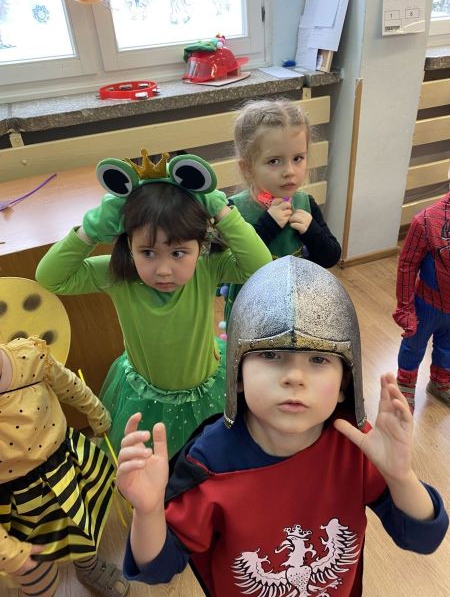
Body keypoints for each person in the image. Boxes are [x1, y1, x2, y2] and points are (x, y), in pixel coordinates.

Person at [116, 257, 448, 597]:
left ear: (344, 383)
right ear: (237, 375)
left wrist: (400, 476)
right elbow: (157, 568)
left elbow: (423, 537)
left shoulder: (356, 446)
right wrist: (149, 512)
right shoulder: (209, 461)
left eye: (318, 359)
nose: (294, 377)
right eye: (271, 355)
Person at [36, 151, 271, 458]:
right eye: (147, 252)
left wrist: (222, 211)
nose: (163, 270)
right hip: (146, 395)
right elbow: (50, 277)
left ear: (201, 246)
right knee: (153, 462)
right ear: (129, 246)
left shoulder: (208, 267)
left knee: (209, 457)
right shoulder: (118, 275)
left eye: (178, 253)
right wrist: (89, 230)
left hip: (206, 386)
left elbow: (260, 265)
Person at [0, 336, 128, 597]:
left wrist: (96, 412)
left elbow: (70, 385)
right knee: (35, 566)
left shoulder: (29, 356)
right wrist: (12, 555)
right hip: (15, 500)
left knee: (80, 524)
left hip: (63, 466)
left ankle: (88, 567)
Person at [222, 98, 341, 324]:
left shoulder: (305, 203)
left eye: (298, 158)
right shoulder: (233, 211)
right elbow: (225, 268)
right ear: (247, 168)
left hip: (299, 307)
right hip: (252, 313)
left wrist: (311, 231)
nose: (289, 171)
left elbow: (331, 257)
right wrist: (267, 226)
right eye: (274, 161)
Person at [393, 179, 450, 412]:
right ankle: (405, 386)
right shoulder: (426, 221)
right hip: (426, 305)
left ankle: (440, 381)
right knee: (413, 346)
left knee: (447, 348)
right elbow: (407, 266)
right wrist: (405, 308)